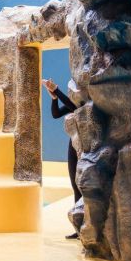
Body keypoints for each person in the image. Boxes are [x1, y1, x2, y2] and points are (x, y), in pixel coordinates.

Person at [41, 78, 80, 239]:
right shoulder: (75, 99)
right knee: (75, 185)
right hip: (74, 143)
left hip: (87, 144)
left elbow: (76, 107)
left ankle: (87, 224)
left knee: (83, 184)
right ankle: (79, 226)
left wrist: (56, 89)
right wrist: (54, 98)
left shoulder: (87, 100)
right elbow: (56, 114)